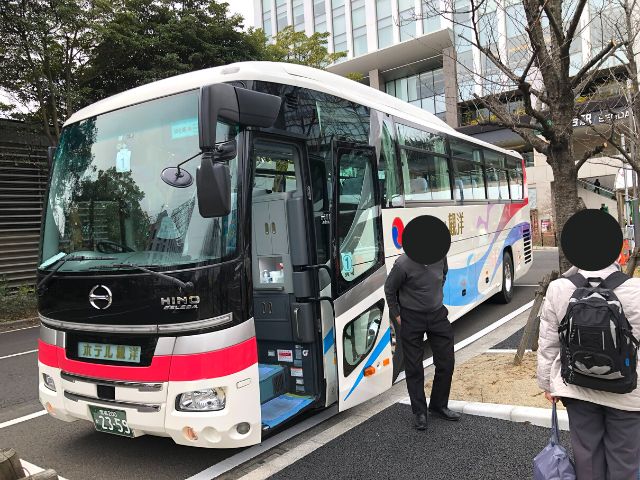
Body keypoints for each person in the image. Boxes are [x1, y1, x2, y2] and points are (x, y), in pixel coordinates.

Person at [537, 209, 640, 480]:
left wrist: (548, 383)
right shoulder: (636, 291)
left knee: (587, 459)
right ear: (617, 250)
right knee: (625, 460)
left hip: (577, 385)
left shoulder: (559, 289)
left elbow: (548, 342)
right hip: (627, 393)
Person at [384, 215, 460, 431]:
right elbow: (390, 290)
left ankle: (438, 405)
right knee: (414, 367)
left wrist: (434, 297)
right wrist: (397, 314)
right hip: (411, 318)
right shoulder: (403, 264)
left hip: (437, 315)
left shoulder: (440, 256)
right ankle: (420, 412)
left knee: (446, 362)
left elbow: (442, 276)